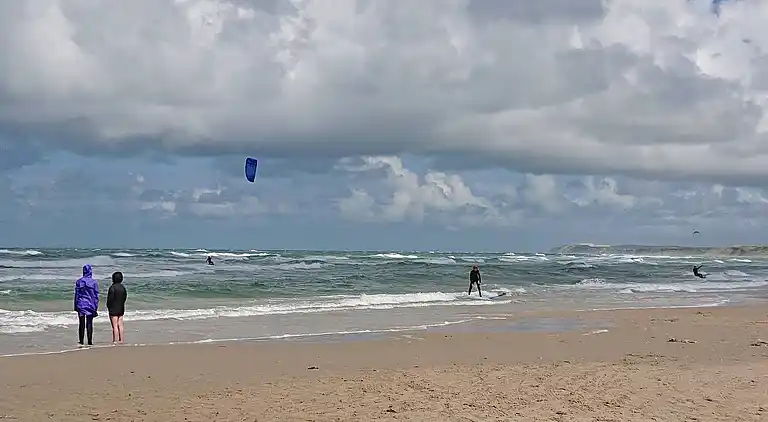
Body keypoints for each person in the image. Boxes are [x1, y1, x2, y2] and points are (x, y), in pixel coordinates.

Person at [73, 264, 99, 346]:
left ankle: (81, 340)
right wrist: (95, 307)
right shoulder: (94, 282)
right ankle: (90, 341)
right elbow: (96, 296)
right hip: (90, 304)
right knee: (89, 323)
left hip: (81, 304)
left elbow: (77, 294)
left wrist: (75, 305)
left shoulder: (79, 281)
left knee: (81, 323)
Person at [107, 271, 128, 344]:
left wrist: (108, 306)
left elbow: (110, 299)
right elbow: (125, 297)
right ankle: (121, 340)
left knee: (115, 326)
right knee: (120, 325)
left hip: (113, 309)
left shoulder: (112, 288)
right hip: (121, 308)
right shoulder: (123, 288)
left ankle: (115, 340)